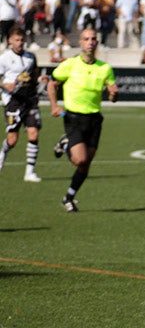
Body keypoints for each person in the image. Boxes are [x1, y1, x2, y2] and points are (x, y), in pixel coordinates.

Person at [46, 28, 118, 213]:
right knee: (80, 159)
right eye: (86, 39)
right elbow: (51, 83)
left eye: (94, 39)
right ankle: (65, 143)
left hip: (95, 119)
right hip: (74, 118)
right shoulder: (70, 65)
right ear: (80, 42)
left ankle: (68, 197)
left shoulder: (105, 68)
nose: (90, 42)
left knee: (86, 164)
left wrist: (113, 94)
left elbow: (112, 95)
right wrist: (54, 106)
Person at [0, 27, 47, 182]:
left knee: (34, 134)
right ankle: (2, 154)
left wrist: (40, 79)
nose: (20, 43)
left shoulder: (30, 57)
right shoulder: (4, 58)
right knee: (12, 140)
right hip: (13, 101)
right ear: (10, 41)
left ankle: (30, 172)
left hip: (30, 100)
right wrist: (5, 85)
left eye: (22, 40)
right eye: (16, 40)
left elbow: (34, 76)